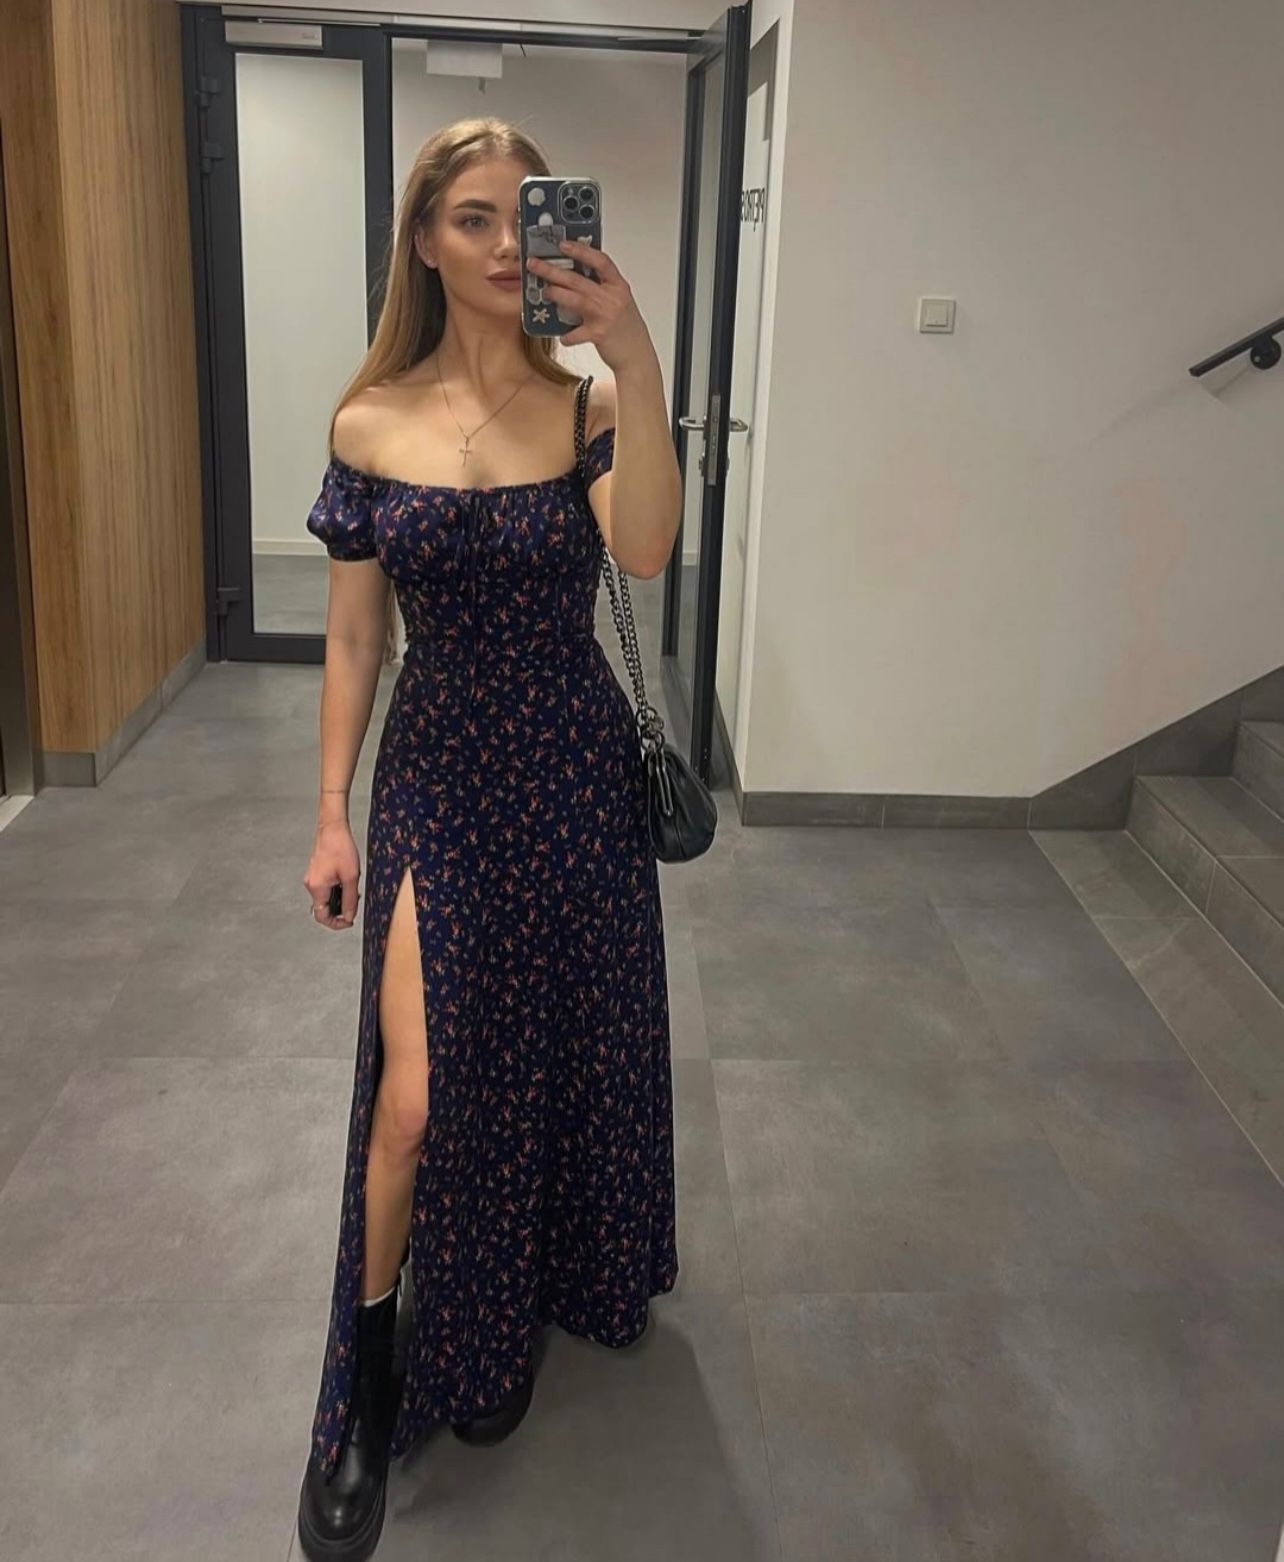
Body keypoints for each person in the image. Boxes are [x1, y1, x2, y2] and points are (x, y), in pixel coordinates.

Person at [295, 117, 683, 1561]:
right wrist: (330, 811)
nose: (509, 241)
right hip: (440, 783)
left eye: (528, 213)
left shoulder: (586, 406)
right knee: (413, 1101)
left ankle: (527, 1294)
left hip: (571, 776)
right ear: (423, 238)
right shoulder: (368, 421)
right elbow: (355, 638)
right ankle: (369, 1386)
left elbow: (645, 549)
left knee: (554, 1051)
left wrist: (636, 360)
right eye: (474, 217)